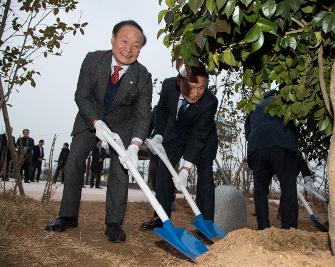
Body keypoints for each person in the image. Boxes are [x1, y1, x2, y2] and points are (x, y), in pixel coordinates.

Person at [45, 20, 153, 244]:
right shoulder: (93, 59)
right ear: (113, 39)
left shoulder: (143, 77)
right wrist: (96, 122)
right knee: (74, 160)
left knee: (120, 170)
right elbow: (81, 95)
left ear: (140, 49)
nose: (128, 49)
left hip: (123, 124)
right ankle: (67, 216)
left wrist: (134, 145)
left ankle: (113, 224)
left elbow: (143, 114)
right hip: (89, 116)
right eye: (124, 41)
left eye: (136, 45)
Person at [141, 62, 218, 230]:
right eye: (192, 87)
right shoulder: (169, 86)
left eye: (202, 88)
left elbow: (199, 136)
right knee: (163, 170)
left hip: (203, 139)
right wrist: (159, 134)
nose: (197, 93)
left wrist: (186, 169)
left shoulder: (210, 102)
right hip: (176, 135)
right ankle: (161, 219)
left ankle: (206, 225)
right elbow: (161, 110)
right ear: (180, 82)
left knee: (205, 174)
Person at [245, 90, 299, 230]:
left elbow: (247, 132)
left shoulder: (255, 107)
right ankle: (289, 229)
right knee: (288, 187)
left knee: (260, 190)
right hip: (282, 146)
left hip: (257, 149)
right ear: (276, 96)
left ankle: (263, 228)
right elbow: (294, 129)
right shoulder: (285, 104)